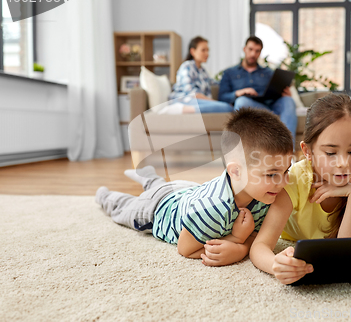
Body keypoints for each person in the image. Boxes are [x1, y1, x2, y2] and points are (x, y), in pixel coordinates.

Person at [95, 107, 294, 266]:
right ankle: (105, 196)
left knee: (160, 186)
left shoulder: (265, 194)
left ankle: (149, 177)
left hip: (185, 191)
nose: (283, 182)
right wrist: (236, 240)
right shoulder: (212, 209)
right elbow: (185, 248)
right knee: (123, 208)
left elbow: (258, 236)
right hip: (156, 209)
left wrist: (243, 242)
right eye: (271, 174)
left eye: (286, 171)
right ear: (236, 172)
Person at [248, 94, 351, 284]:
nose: (343, 163)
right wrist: (275, 264)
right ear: (308, 151)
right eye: (331, 153)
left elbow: (350, 252)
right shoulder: (294, 180)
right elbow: (260, 246)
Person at [218, 36, 297, 143]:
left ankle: (288, 152)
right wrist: (239, 93)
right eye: (250, 49)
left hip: (267, 105)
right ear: (244, 49)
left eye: (257, 51)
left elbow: (275, 93)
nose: (253, 54)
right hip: (248, 105)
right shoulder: (229, 73)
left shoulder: (268, 73)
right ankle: (273, 121)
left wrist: (284, 93)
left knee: (288, 101)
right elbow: (222, 96)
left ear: (260, 53)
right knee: (241, 102)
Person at [169, 36, 233, 113]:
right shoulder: (186, 67)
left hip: (196, 102)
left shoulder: (203, 71)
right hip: (184, 100)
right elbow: (191, 93)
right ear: (192, 51)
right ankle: (178, 109)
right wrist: (214, 102)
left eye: (208, 50)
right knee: (226, 107)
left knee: (226, 107)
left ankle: (190, 110)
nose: (207, 54)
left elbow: (216, 83)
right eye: (203, 50)